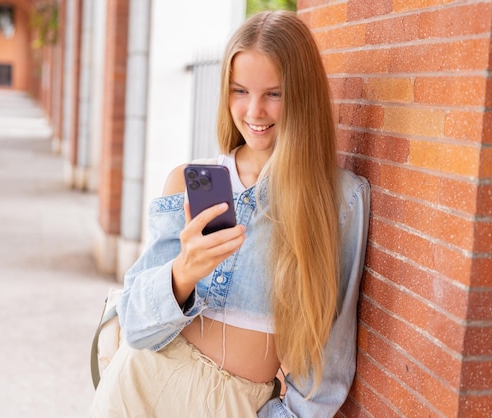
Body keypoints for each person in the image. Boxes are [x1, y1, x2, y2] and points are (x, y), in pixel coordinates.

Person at [90, 10, 370, 417]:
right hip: (139, 389)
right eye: (240, 91)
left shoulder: (339, 200)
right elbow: (134, 325)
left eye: (274, 93)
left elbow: (330, 364)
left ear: (304, 94)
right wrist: (184, 271)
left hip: (234, 405)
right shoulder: (188, 183)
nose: (254, 111)